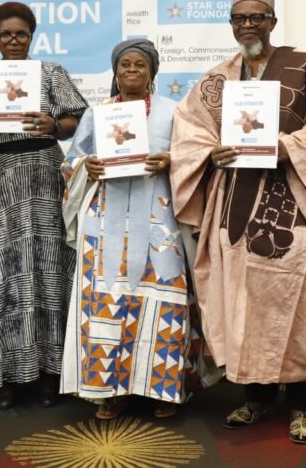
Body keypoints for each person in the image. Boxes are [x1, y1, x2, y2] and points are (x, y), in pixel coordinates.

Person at [170, 0, 306, 444]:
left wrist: (286, 147)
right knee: (244, 300)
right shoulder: (217, 79)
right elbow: (190, 130)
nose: (248, 25)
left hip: (292, 205)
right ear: (231, 24)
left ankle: (302, 403)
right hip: (233, 205)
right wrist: (211, 152)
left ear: (273, 22)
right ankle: (255, 396)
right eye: (240, 18)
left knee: (301, 301)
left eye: (257, 17)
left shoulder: (305, 66)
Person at [60, 39, 217, 420]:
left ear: (152, 72)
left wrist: (171, 161)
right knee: (105, 304)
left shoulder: (172, 112)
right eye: (125, 64)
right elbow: (71, 162)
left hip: (157, 225)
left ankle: (162, 390)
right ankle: (108, 391)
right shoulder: (98, 114)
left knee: (164, 301)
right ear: (115, 72)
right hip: (104, 223)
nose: (132, 70)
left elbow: (194, 158)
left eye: (140, 65)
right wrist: (88, 167)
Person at [0, 1, 87, 409]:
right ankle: (1, 376)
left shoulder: (50, 73)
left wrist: (54, 124)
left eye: (21, 34)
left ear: (33, 36)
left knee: (48, 271)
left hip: (46, 178)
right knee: (2, 274)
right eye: (5, 34)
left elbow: (79, 121)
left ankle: (51, 373)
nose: (14, 41)